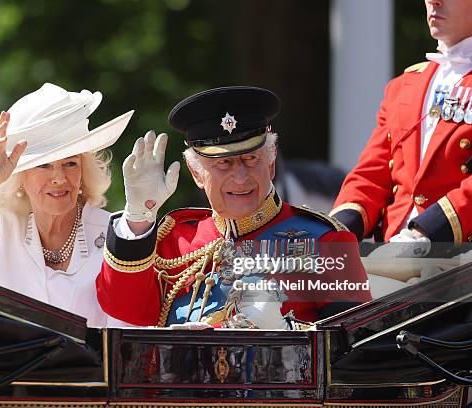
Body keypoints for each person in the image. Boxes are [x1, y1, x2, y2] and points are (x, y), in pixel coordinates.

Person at [96, 86, 371, 328]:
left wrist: (286, 333)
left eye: (251, 159)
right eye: (223, 164)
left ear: (271, 163)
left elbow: (352, 352)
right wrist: (138, 218)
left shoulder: (325, 241)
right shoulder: (177, 239)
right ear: (196, 173)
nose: (240, 178)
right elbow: (123, 308)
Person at [0, 83, 134, 327]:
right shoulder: (4, 227)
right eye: (44, 165)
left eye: (71, 164)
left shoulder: (115, 237)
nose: (59, 178)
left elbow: (125, 337)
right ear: (20, 176)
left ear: (83, 172)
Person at [331, 0, 472, 253]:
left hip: (458, 259)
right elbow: (371, 174)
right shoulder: (404, 85)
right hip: (391, 255)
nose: (433, 1)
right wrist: (336, 231)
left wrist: (426, 231)